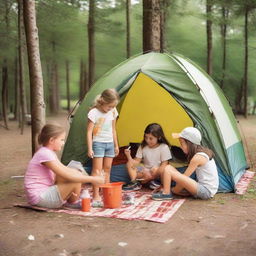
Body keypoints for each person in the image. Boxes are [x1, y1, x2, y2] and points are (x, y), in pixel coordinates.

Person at [24, 123, 104, 209]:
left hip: (42, 195)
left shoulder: (47, 152)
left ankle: (71, 200)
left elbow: (64, 170)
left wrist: (79, 173)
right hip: (40, 198)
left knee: (75, 172)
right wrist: (93, 179)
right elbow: (68, 175)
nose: (63, 143)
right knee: (74, 179)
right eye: (61, 140)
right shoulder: (45, 154)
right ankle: (72, 202)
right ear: (51, 140)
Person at [152, 127, 219, 200]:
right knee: (168, 167)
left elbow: (184, 178)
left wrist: (174, 190)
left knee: (168, 169)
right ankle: (167, 190)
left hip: (206, 192)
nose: (180, 146)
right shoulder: (200, 153)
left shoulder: (197, 158)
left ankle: (167, 193)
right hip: (201, 187)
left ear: (189, 143)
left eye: (181, 143)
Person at [87, 88, 120, 206]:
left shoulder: (113, 111)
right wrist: (90, 148)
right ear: (102, 101)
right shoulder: (94, 113)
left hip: (110, 143)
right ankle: (96, 195)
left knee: (107, 169)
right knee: (97, 170)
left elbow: (113, 129)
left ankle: (107, 192)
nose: (110, 109)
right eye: (109, 106)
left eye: (113, 107)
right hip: (98, 144)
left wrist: (116, 145)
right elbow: (89, 132)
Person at [123, 123, 172, 191]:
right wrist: (128, 156)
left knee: (155, 169)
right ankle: (135, 183)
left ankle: (155, 182)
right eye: (146, 137)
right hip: (146, 171)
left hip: (157, 173)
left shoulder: (163, 147)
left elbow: (164, 164)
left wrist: (153, 175)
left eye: (151, 138)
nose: (147, 140)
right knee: (129, 164)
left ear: (159, 137)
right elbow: (136, 162)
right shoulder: (143, 146)